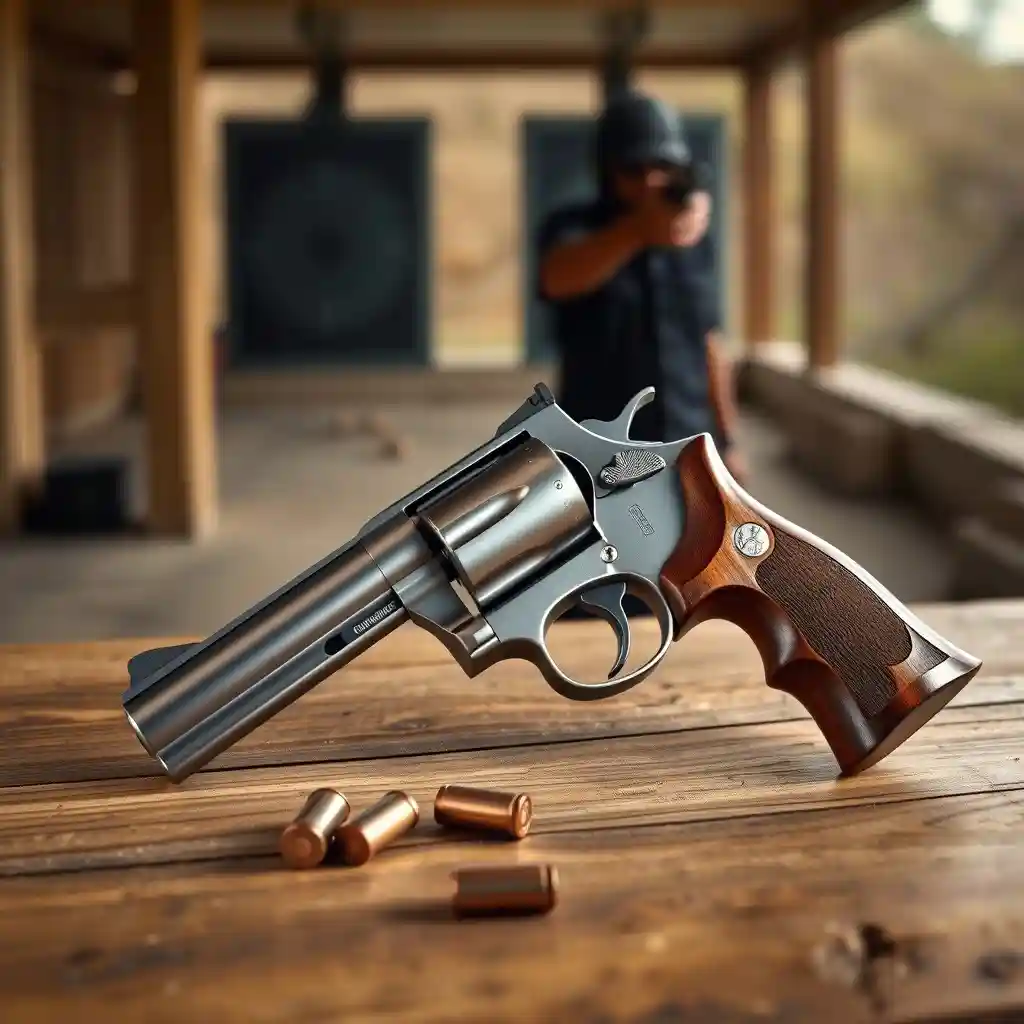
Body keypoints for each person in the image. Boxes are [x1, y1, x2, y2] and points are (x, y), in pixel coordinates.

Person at [536, 89, 746, 483]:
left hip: (689, 444)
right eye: (633, 170)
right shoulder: (574, 227)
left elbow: (711, 343)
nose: (650, 181)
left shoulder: (691, 241)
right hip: (603, 449)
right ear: (607, 170)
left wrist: (730, 440)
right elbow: (556, 278)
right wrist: (637, 232)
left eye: (662, 166)